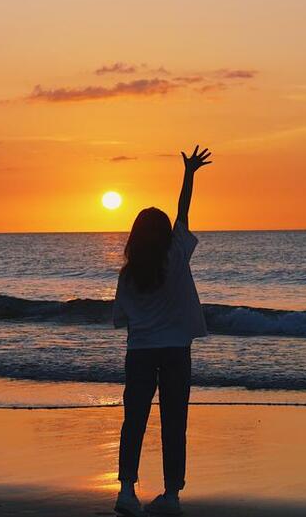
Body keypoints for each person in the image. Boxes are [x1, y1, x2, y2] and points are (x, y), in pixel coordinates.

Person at [112, 145, 211, 516]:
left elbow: (122, 318)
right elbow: (184, 211)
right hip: (175, 351)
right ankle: (171, 495)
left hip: (140, 351)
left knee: (134, 420)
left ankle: (125, 490)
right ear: (165, 234)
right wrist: (189, 174)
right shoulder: (176, 255)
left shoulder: (129, 273)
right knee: (174, 422)